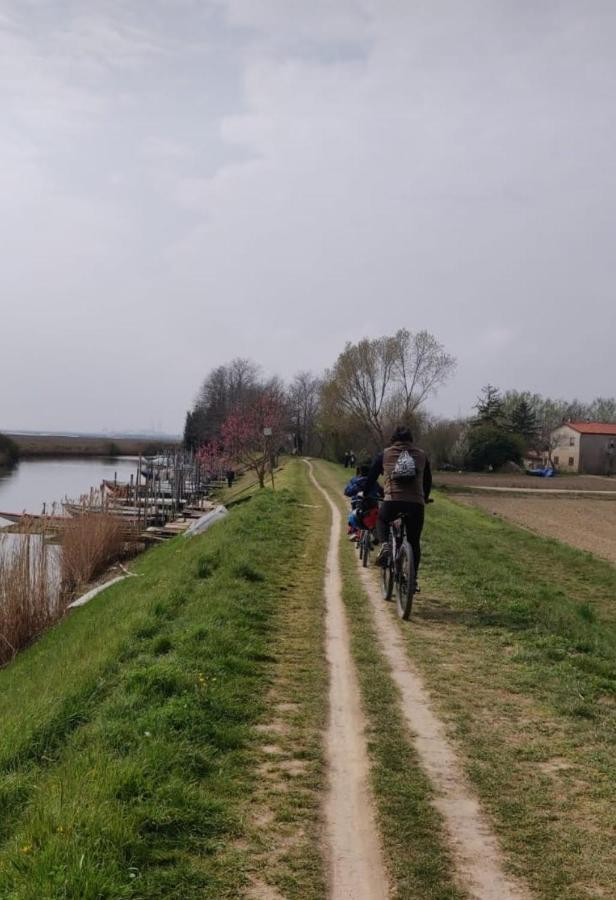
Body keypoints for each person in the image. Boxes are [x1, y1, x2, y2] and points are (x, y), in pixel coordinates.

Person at [362, 425, 432, 583]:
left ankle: (386, 545)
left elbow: (371, 478)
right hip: (416, 504)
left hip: (392, 501)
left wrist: (366, 494)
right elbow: (427, 481)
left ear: (393, 440)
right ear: (411, 441)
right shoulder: (422, 456)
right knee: (414, 542)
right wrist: (424, 497)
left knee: (382, 519)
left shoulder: (384, 454)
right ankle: (413, 580)